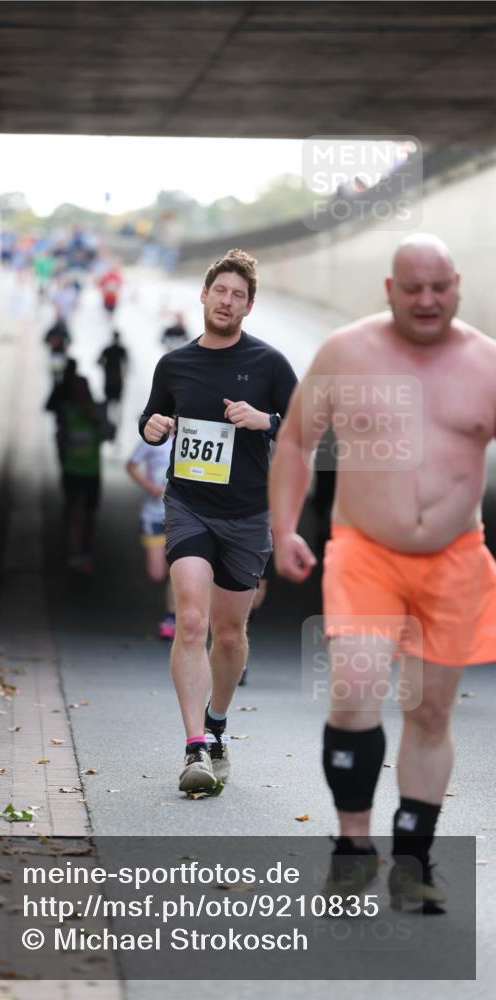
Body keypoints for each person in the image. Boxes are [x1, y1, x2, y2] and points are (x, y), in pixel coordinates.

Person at [269, 234, 496, 909]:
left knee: (429, 709)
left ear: (456, 284)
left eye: (439, 287)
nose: (426, 300)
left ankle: (411, 859)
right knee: (355, 688)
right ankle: (350, 846)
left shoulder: (486, 362)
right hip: (365, 550)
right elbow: (293, 440)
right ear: (389, 289)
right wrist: (282, 529)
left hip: (455, 558)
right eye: (412, 288)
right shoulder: (346, 352)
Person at [139, 248, 297, 793]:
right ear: (203, 295)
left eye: (238, 295)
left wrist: (265, 420)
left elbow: (305, 427)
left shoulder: (270, 364)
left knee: (229, 635)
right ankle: (194, 749)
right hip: (188, 507)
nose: (226, 301)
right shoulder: (175, 364)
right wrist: (153, 427)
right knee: (190, 622)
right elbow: (151, 416)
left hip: (247, 515)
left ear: (248, 307)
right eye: (220, 291)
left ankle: (218, 724)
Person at [46, 359, 102, 574]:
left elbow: (109, 433)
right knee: (74, 511)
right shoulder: (66, 412)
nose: (82, 393)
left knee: (89, 513)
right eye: (78, 389)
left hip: (92, 471)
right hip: (72, 470)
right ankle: (74, 554)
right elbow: (60, 437)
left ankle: (86, 549)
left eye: (84, 389)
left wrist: (93, 418)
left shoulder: (96, 410)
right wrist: (62, 461)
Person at [125, 436, 176, 640]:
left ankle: (171, 617)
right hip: (154, 515)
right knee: (157, 573)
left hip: (182, 517)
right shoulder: (154, 438)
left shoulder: (192, 435)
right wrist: (151, 487)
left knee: (178, 568)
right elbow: (131, 465)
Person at [98, 331, 129, 429]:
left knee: (109, 403)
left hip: (109, 379)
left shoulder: (107, 350)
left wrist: (105, 366)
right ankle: (116, 424)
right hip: (118, 380)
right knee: (117, 404)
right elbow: (126, 364)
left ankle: (109, 424)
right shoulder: (121, 350)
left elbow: (98, 361)